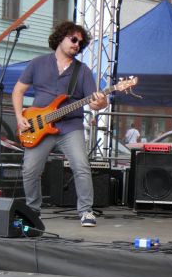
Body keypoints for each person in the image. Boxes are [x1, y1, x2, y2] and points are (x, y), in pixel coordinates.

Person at [12, 21, 108, 227]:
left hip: (70, 127)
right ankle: (33, 210)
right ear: (60, 38)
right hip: (38, 125)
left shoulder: (82, 71)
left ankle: (86, 211)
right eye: (73, 39)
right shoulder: (37, 63)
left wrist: (101, 102)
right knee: (30, 169)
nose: (76, 44)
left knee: (81, 166)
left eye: (80, 43)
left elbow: (95, 102)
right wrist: (19, 117)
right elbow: (18, 90)